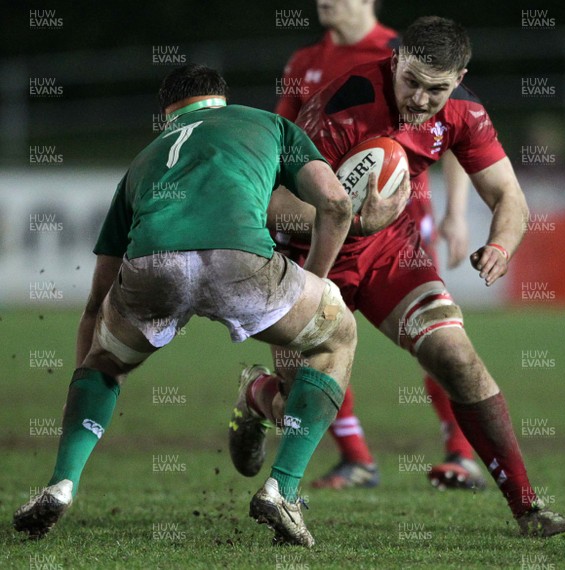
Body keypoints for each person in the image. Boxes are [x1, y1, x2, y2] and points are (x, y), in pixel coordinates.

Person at [228, 17, 565, 538]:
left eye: (436, 88)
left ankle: (530, 510)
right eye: (411, 81)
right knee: (298, 401)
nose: (420, 98)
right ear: (396, 61)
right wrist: (342, 217)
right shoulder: (343, 106)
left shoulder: (464, 110)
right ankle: (257, 394)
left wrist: (503, 245)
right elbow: (273, 206)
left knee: (457, 357)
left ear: (459, 77)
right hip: (310, 256)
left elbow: (510, 197)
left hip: (391, 252)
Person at [13, 64, 360, 548]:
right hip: (239, 259)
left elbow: (95, 301)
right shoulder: (267, 123)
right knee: (335, 339)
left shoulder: (143, 160)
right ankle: (283, 489)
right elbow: (337, 205)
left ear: (167, 112)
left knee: (106, 362)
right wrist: (312, 295)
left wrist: (91, 377)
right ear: (221, 98)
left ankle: (61, 485)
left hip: (152, 266)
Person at [273, 0, 480, 490]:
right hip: (325, 223)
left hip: (404, 222)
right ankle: (356, 457)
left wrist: (454, 212)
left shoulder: (409, 53)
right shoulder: (303, 62)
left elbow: (454, 127)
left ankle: (461, 451)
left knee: (434, 334)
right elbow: (280, 139)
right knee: (318, 340)